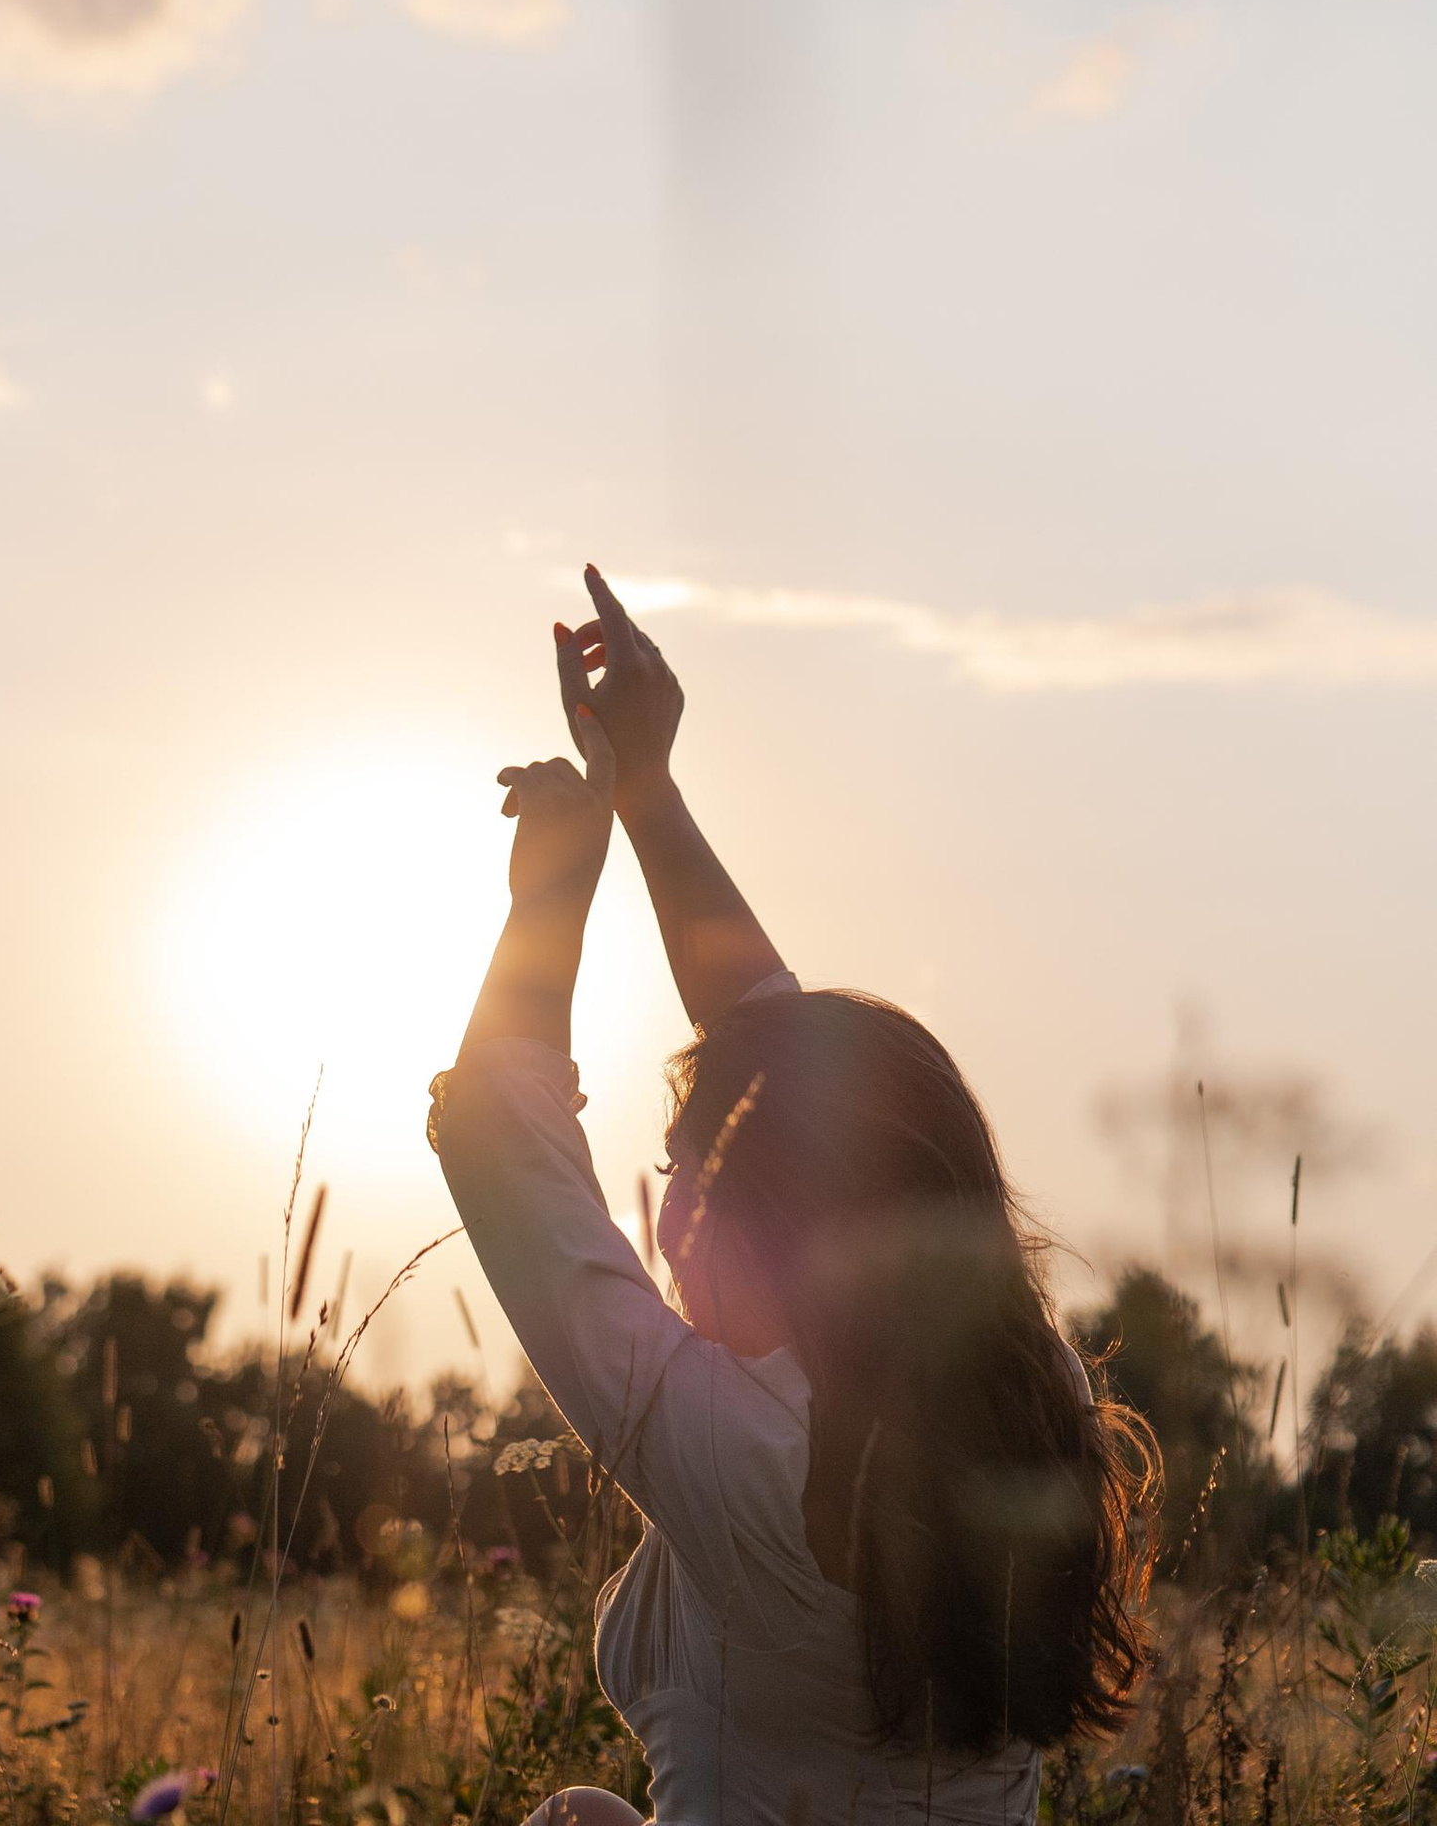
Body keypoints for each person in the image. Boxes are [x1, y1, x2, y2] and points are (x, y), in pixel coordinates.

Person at [430, 566, 1155, 1826]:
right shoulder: (1032, 1391)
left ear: (738, 1225)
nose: (658, 1213)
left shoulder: (742, 1454)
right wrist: (645, 788)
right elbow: (794, 1068)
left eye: (674, 1173)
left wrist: (549, 897)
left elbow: (505, 1146)